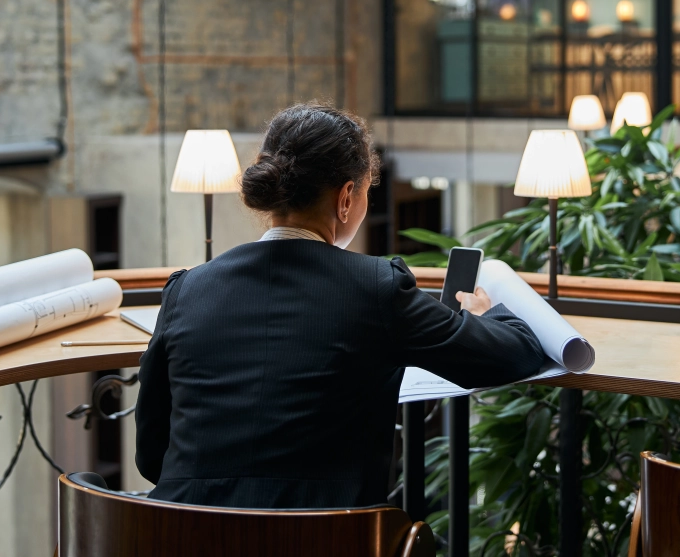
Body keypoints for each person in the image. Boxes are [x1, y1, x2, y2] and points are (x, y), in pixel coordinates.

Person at [135, 103, 547, 509]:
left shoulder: (187, 289)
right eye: (366, 192)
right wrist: (482, 313)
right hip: (327, 541)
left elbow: (152, 454)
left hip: (187, 534)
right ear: (347, 197)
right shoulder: (377, 287)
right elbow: (512, 355)